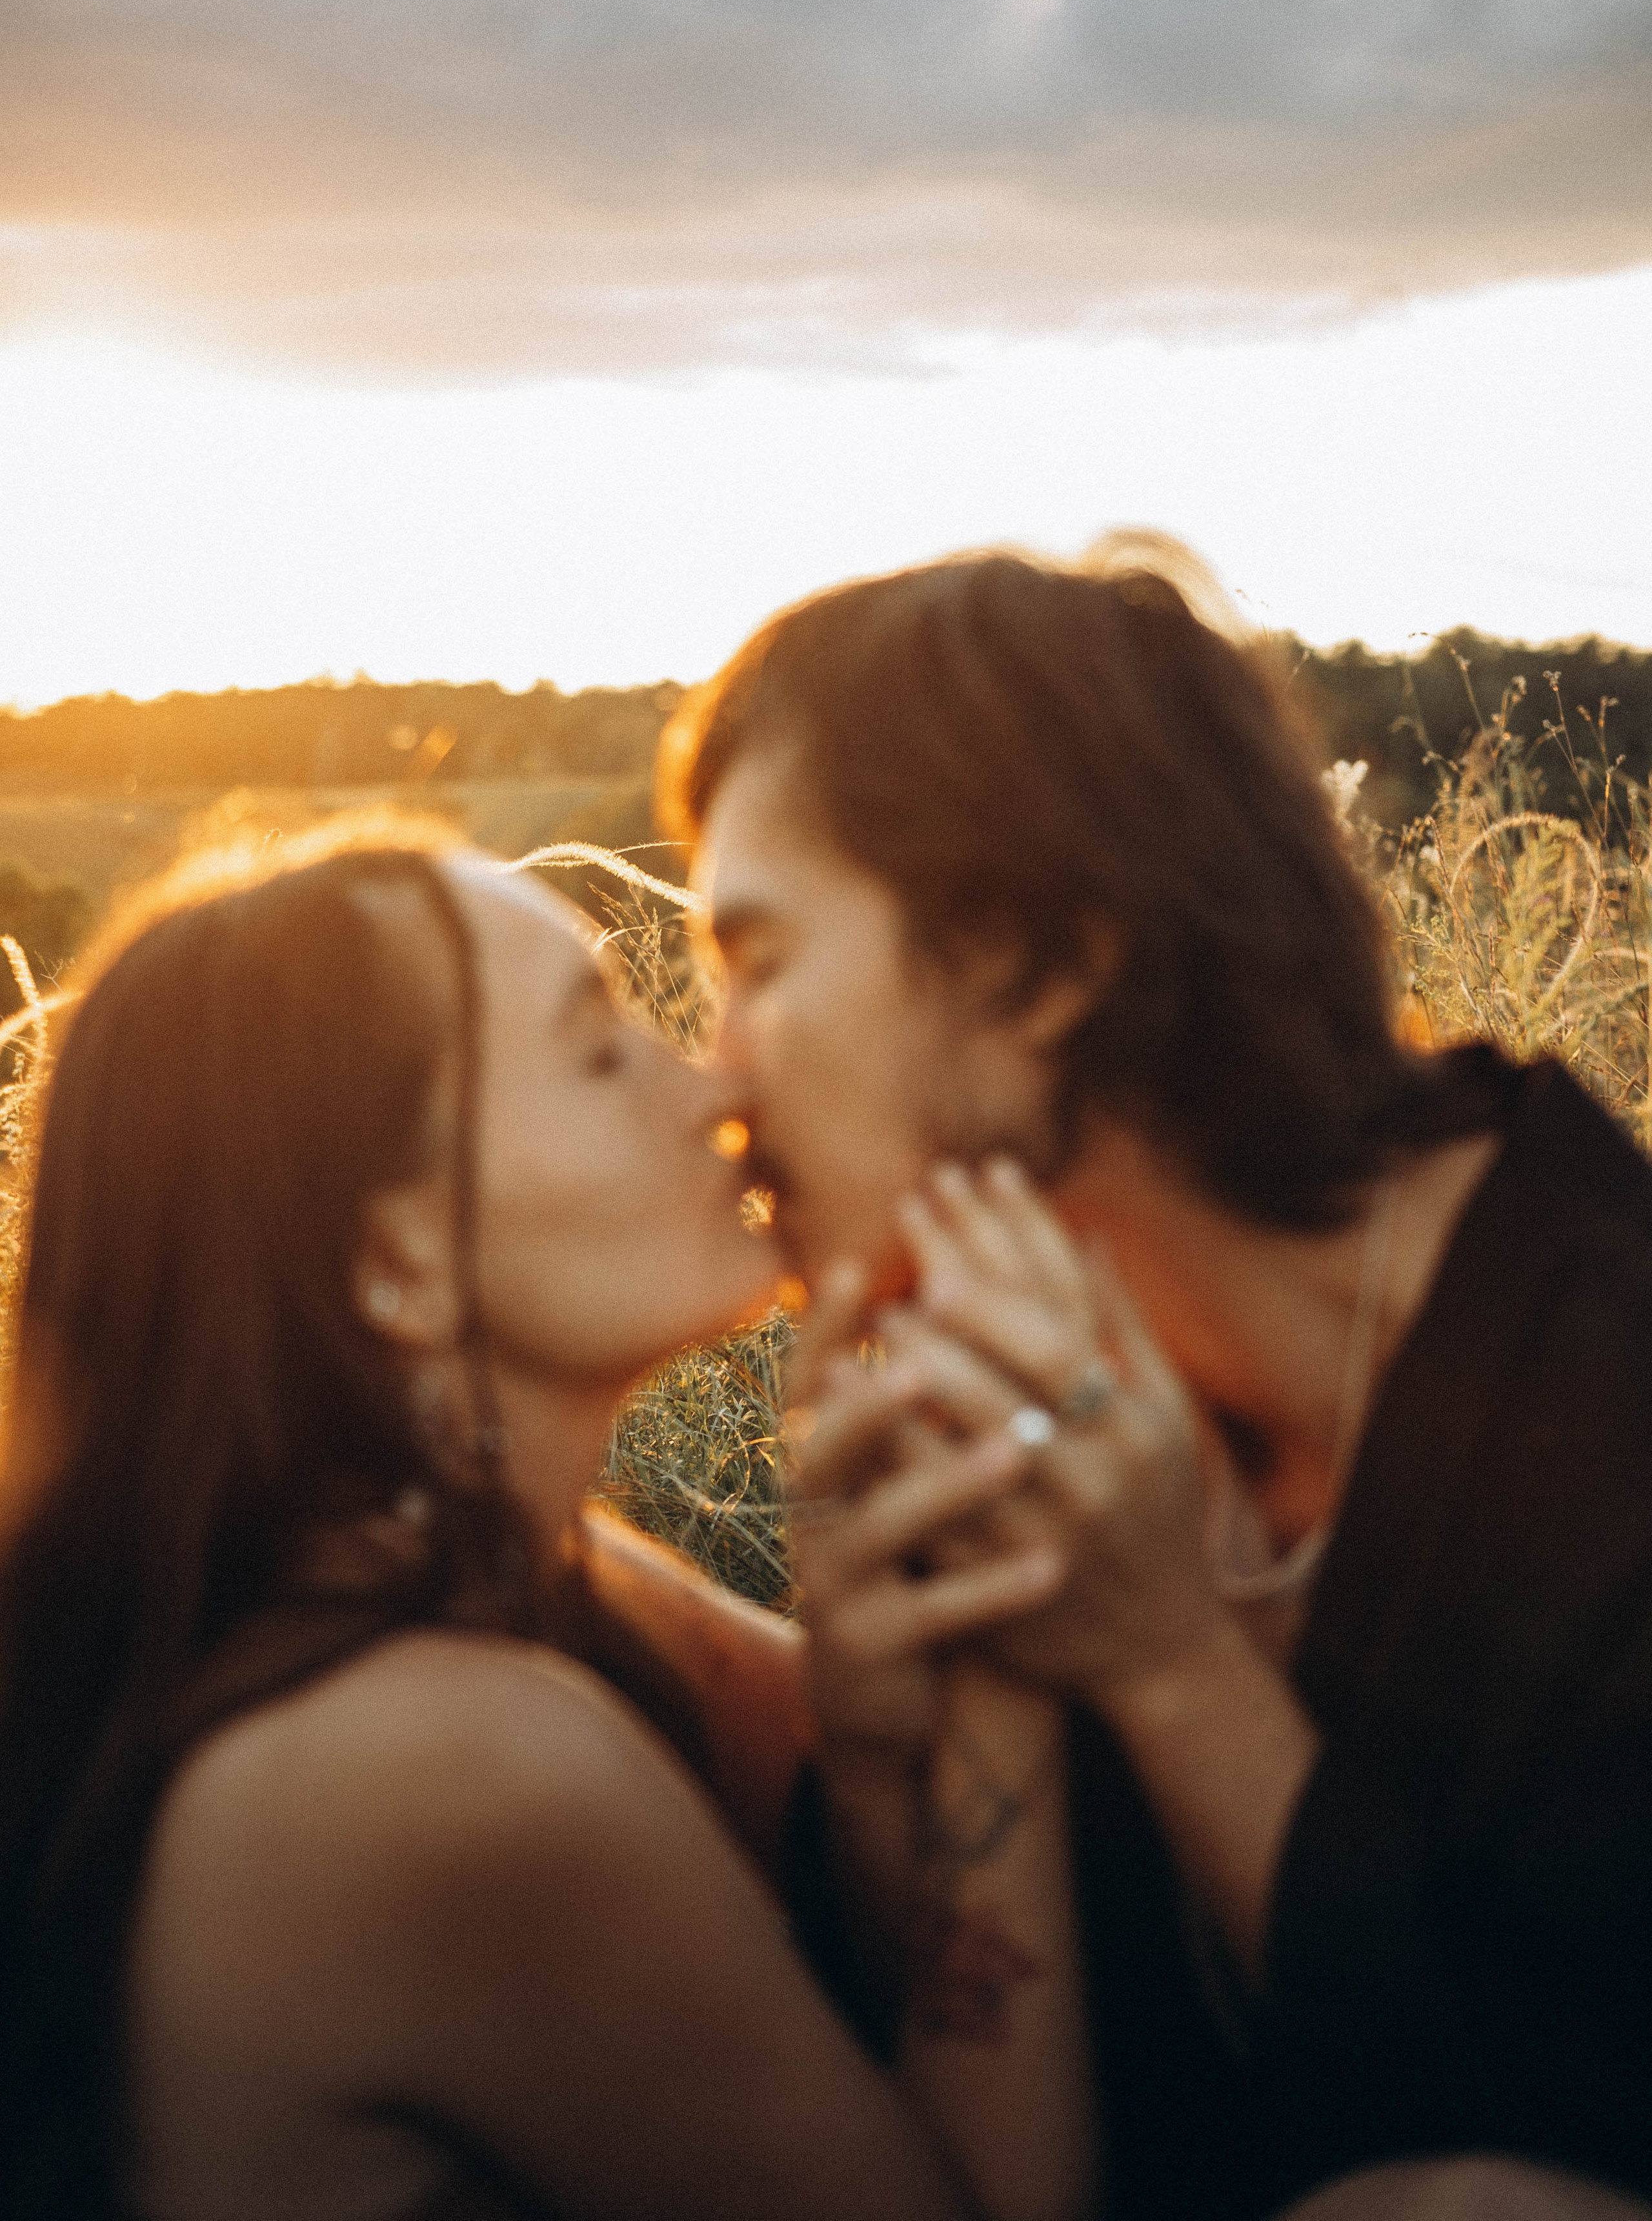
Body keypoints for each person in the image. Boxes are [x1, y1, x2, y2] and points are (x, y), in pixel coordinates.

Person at [660, 543, 1652, 2221]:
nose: (717, 1075)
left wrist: (1171, 1666)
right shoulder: (1008, 1384)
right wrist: (895, 1749)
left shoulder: (1605, 1396)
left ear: (1041, 965)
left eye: (757, 962)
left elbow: (1556, 2130)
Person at [0, 813, 1097, 2221]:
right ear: (396, 1260)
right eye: (599, 1052)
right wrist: (1002, 1674)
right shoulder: (439, 1761)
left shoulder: (526, 1586)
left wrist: (883, 1750)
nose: (711, 1088)